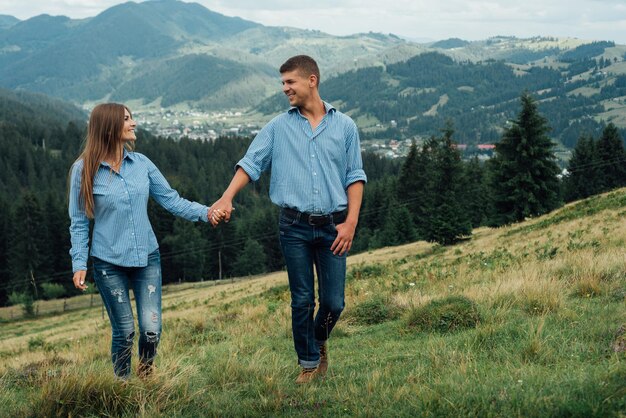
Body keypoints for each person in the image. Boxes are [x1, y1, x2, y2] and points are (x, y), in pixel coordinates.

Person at [209, 55, 367, 384]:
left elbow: (355, 176)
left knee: (334, 303)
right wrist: (227, 196)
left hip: (334, 226)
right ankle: (309, 363)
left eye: (290, 82)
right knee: (302, 299)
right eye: (282, 83)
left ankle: (317, 340)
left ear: (312, 80)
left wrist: (351, 222)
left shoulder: (345, 126)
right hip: (293, 227)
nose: (285, 89)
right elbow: (250, 164)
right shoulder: (278, 127)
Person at [68, 103, 223, 380]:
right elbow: (79, 221)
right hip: (108, 262)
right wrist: (79, 262)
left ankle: (146, 370)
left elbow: (172, 200)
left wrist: (206, 213)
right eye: (127, 119)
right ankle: (122, 385)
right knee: (125, 331)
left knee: (152, 330)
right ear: (110, 127)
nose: (133, 123)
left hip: (147, 258)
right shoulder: (83, 171)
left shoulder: (142, 164)